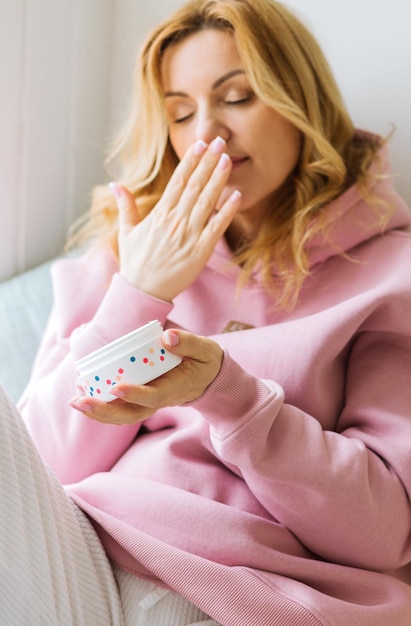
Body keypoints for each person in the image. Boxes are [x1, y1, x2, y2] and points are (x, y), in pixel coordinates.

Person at [2, 0, 411, 623]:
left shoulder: (390, 275)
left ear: (300, 101)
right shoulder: (130, 247)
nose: (206, 134)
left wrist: (232, 397)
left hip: (242, 590)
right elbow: (34, 466)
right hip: (84, 549)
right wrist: (138, 293)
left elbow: (382, 530)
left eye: (238, 96)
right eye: (180, 112)